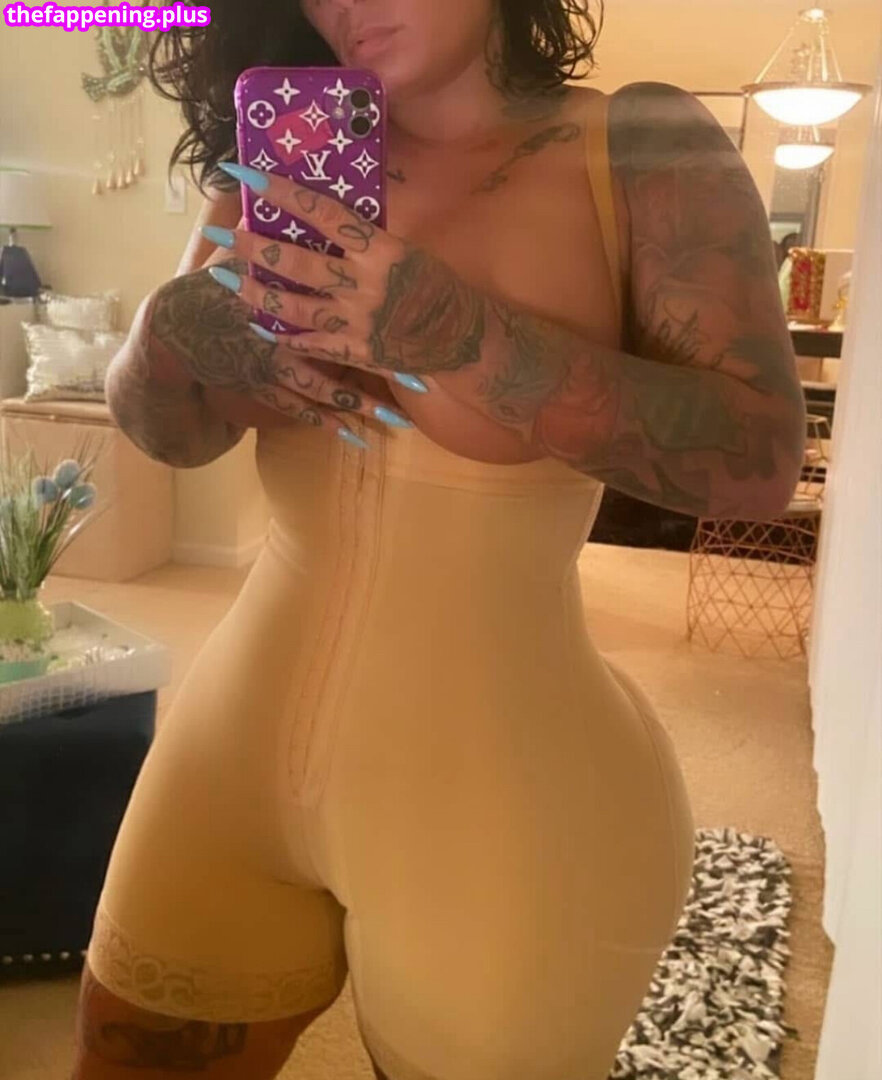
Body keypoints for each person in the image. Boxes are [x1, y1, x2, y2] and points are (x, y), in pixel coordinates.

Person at [72, 1, 807, 1078]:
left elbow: (758, 460)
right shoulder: (283, 154)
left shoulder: (637, 145)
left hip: (503, 805)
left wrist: (463, 336)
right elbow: (172, 435)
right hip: (230, 753)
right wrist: (161, 338)